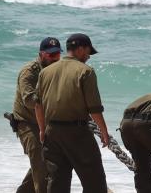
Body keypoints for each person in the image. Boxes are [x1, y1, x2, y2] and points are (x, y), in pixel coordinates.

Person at [35, 33, 109, 193]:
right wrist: (104, 131)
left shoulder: (45, 72)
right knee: (94, 181)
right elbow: (94, 108)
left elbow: (38, 105)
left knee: (57, 182)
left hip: (52, 133)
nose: (89, 56)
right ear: (81, 49)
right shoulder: (85, 71)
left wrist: (42, 130)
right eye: (89, 52)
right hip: (77, 133)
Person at [11, 37, 62, 193]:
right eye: (51, 55)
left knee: (46, 163)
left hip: (46, 123)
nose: (55, 58)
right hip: (27, 123)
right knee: (41, 164)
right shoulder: (29, 72)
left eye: (57, 54)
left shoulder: (56, 70)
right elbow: (29, 100)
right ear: (41, 54)